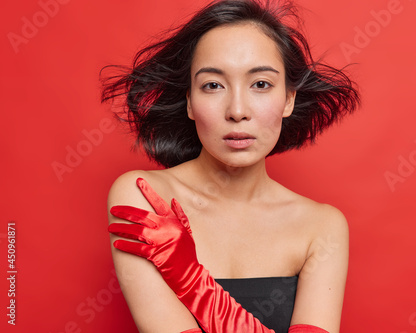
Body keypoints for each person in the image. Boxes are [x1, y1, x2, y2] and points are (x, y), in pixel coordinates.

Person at [100, 0, 359, 332]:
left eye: (261, 84)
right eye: (213, 85)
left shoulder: (322, 227)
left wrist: (190, 279)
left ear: (289, 99)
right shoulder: (146, 198)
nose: (237, 110)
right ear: (190, 102)